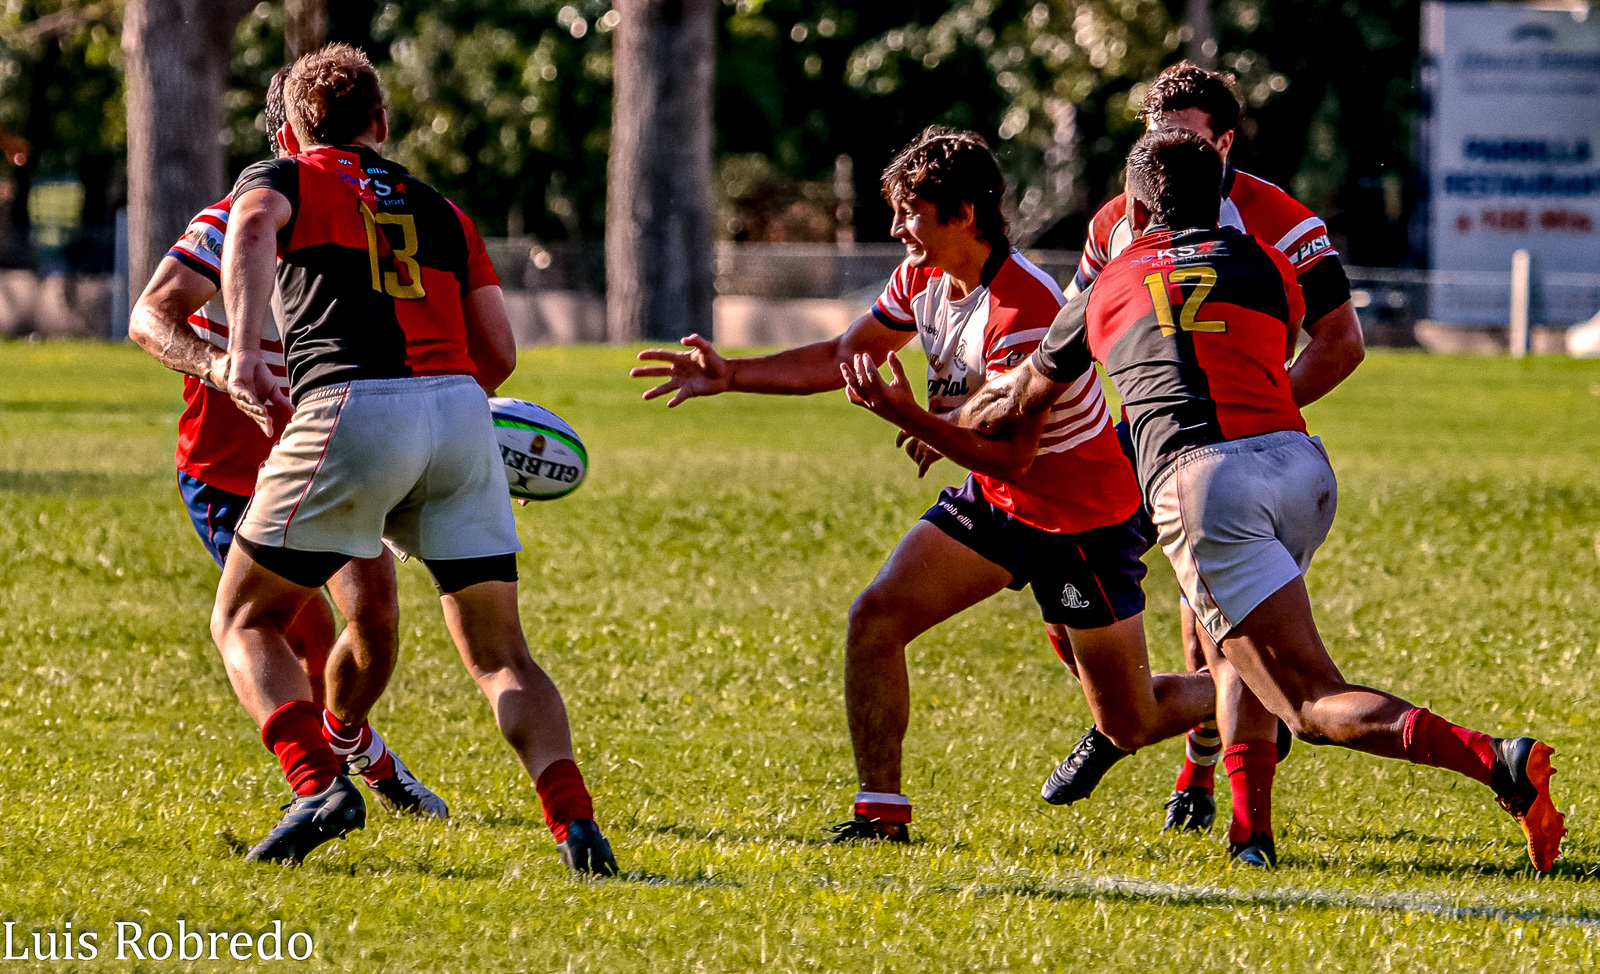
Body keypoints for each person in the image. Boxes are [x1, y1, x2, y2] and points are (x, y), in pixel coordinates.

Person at [965, 128, 1564, 870]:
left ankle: (1498, 762)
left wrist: (949, 420)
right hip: (1301, 468)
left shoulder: (1109, 279)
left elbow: (1028, 397)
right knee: (1233, 653)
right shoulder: (1265, 260)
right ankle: (1251, 837)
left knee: (1309, 703)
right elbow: (1261, 345)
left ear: (1139, 212)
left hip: (1206, 484)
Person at [631, 127, 1212, 841]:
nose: (898, 228)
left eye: (912, 212)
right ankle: (881, 813)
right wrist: (734, 375)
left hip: (1077, 521)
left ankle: (1251, 699)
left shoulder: (1024, 310)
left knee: (1130, 722)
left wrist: (913, 416)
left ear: (964, 213)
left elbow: (1016, 456)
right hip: (998, 505)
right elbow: (850, 355)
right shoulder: (922, 278)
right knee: (876, 618)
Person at [212, 44, 616, 873]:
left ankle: (316, 783)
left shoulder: (281, 178)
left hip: (350, 408)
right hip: (461, 413)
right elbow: (497, 353)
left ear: (290, 129)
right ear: (383, 123)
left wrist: (248, 348)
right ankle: (575, 824)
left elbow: (250, 226)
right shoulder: (442, 210)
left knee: (245, 618)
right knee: (503, 654)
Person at [1043, 61, 1367, 833]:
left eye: (1191, 141)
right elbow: (1074, 339)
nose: (1172, 159)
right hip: (1140, 434)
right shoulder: (1116, 220)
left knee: (1207, 616)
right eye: (1160, 141)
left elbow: (1341, 341)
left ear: (1225, 144)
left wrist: (1250, 410)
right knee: (1063, 573)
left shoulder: (1278, 222)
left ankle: (1198, 773)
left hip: (1227, 442)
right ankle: (1123, 716)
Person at [128, 68, 446, 820]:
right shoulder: (231, 221)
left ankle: (348, 742)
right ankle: (323, 788)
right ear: (286, 145)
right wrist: (218, 368)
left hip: (329, 456)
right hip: (231, 472)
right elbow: (150, 315)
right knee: (297, 625)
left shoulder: (375, 231)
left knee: (374, 621)